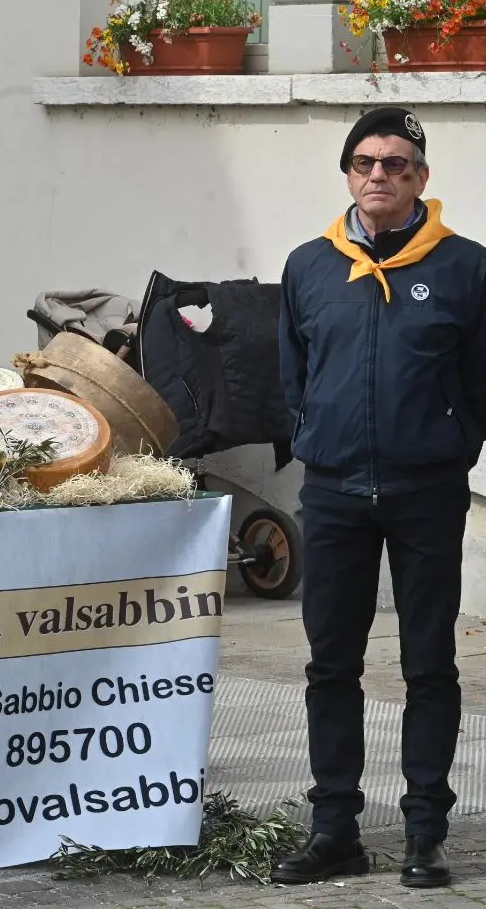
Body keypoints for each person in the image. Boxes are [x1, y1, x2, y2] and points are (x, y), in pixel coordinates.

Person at [271, 106, 486, 889]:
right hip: (331, 496)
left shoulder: (466, 267)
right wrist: (314, 441)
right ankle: (336, 830)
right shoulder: (309, 265)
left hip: (425, 492)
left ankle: (425, 831)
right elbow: (294, 373)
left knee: (429, 665)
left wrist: (451, 444)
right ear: (348, 174)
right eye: (365, 163)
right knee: (332, 666)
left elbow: (479, 380)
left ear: (422, 179)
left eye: (397, 164)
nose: (379, 177)